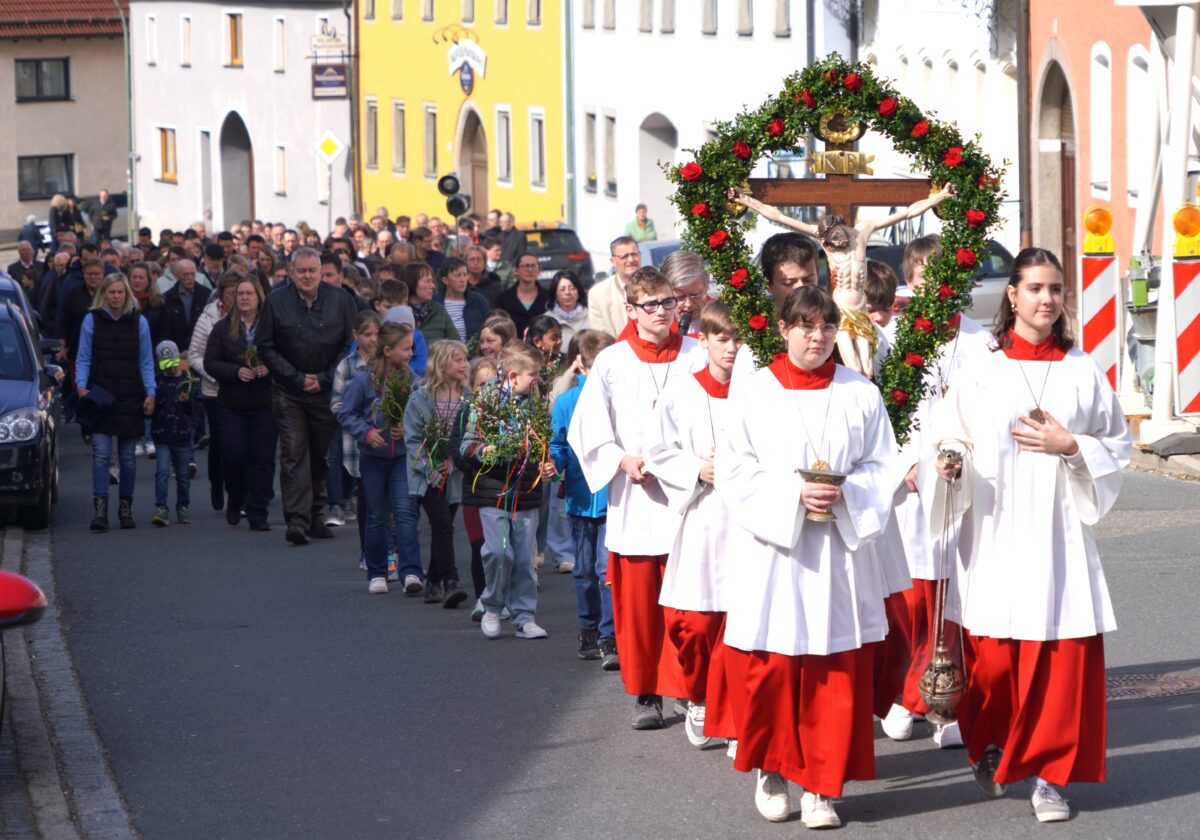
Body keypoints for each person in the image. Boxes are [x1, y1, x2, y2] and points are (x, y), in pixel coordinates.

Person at [925, 248, 1131, 824]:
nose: (1047, 299)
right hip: (992, 531)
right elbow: (949, 438)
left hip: (1057, 536)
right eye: (1036, 288)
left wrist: (1073, 447)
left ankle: (1051, 777)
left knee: (1060, 660)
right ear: (1011, 295)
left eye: (1056, 290)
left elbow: (1116, 445)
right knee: (992, 659)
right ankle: (989, 744)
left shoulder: (1082, 370)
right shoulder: (980, 372)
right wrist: (946, 463)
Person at [717, 285, 898, 828]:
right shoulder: (753, 392)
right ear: (783, 330)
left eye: (825, 327)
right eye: (804, 326)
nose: (816, 337)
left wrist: (847, 492)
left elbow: (881, 466)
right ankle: (771, 769)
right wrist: (792, 494)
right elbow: (734, 469)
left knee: (832, 669)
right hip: (775, 551)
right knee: (773, 666)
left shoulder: (860, 392)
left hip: (837, 554)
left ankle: (821, 786)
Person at [567, 266, 706, 729]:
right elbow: (585, 426)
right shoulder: (612, 361)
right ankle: (647, 694)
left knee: (690, 602)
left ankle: (691, 688)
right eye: (653, 305)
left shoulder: (695, 353)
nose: (664, 312)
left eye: (669, 302)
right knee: (642, 607)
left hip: (690, 496)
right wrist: (622, 460)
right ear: (631, 310)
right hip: (637, 498)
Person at [880, 235, 990, 748]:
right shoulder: (891, 339)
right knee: (913, 599)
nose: (933, 285)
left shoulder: (982, 343)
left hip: (959, 484)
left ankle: (942, 701)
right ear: (911, 279)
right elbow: (877, 410)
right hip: (907, 486)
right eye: (923, 275)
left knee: (955, 594)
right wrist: (905, 463)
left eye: (943, 275)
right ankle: (913, 690)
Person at [644, 301, 741, 749]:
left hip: (747, 518)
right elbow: (658, 449)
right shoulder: (683, 392)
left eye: (739, 339)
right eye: (723, 339)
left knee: (743, 620)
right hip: (702, 515)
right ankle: (699, 696)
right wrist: (695, 469)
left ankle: (739, 714)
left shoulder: (757, 392)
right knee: (698, 622)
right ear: (705, 340)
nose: (733, 348)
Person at [728, 185, 954, 376]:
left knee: (865, 373)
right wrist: (746, 199)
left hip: (857, 324)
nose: (801, 289)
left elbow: (906, 213)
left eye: (808, 279)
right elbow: (778, 216)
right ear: (769, 283)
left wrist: (939, 197)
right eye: (789, 282)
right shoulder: (754, 348)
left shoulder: (860, 235)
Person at [257, 247, 356, 546]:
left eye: (313, 270)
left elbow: (349, 344)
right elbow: (265, 346)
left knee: (321, 455)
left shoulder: (340, 300)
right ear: (291, 271)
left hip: (327, 390)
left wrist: (324, 378)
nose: (308, 276)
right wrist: (297, 379)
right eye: (302, 271)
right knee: (294, 452)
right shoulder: (276, 301)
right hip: (289, 392)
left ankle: (316, 515)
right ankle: (297, 520)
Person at [457, 342, 556, 638]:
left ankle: (524, 617)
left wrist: (547, 465)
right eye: (532, 375)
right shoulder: (484, 403)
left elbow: (543, 447)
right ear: (513, 376)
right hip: (493, 491)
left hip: (526, 494)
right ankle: (491, 605)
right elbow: (466, 445)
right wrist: (487, 451)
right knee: (500, 552)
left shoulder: (537, 405)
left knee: (525, 558)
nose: (537, 380)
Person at [551, 330, 618, 664]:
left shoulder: (619, 398)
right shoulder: (566, 402)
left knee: (607, 568)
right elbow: (558, 444)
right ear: (581, 366)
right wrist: (553, 464)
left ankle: (609, 636)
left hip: (613, 497)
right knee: (583, 571)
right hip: (579, 497)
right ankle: (588, 627)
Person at [337, 322, 416, 593]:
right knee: (377, 515)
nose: (410, 353)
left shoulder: (410, 378)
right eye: (405, 349)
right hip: (373, 457)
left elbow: (420, 413)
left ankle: (411, 572)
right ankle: (377, 572)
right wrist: (367, 432)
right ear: (387, 350)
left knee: (406, 513)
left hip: (402, 456)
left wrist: (407, 428)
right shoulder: (363, 380)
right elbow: (346, 413)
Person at [76, 273, 156, 531]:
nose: (116, 297)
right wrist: (81, 387)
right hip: (101, 394)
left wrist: (150, 391)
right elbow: (84, 356)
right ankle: (100, 509)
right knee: (100, 454)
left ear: (127, 294)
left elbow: (146, 360)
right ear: (104, 294)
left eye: (120, 292)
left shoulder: (139, 322)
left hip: (131, 394)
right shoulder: (92, 320)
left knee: (128, 458)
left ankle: (125, 507)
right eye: (112, 292)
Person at [203, 277, 277, 532]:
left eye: (249, 293)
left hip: (264, 403)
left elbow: (285, 355)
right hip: (232, 403)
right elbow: (210, 362)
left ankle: (258, 512)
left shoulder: (271, 326)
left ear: (259, 297)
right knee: (234, 456)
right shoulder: (223, 328)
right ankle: (235, 498)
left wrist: (271, 367)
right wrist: (235, 371)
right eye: (240, 294)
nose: (244, 297)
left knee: (263, 459)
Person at [403, 340, 470, 607]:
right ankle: (451, 581)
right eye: (457, 360)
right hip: (427, 475)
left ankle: (432, 581)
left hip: (454, 473)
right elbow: (413, 439)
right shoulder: (420, 398)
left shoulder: (469, 398)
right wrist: (431, 468)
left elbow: (469, 434)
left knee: (444, 526)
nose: (464, 365)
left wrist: (453, 463)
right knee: (442, 524)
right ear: (441, 363)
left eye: (465, 359)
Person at [186, 273, 242, 510]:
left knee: (239, 443)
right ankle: (217, 484)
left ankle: (238, 492)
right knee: (220, 442)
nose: (236, 298)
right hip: (215, 390)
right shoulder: (209, 317)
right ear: (222, 294)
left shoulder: (251, 317)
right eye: (231, 293)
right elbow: (194, 354)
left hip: (243, 388)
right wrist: (214, 373)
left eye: (239, 293)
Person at [331, 311, 382, 568]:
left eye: (376, 334)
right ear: (356, 335)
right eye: (367, 334)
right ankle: (366, 551)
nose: (372, 339)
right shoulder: (346, 366)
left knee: (388, 502)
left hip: (386, 442)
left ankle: (388, 552)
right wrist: (362, 424)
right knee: (366, 499)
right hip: (359, 441)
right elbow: (337, 404)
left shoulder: (386, 363)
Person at [463, 356, 499, 619]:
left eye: (491, 383)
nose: (486, 390)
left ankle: (501, 596)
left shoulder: (506, 413)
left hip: (499, 489)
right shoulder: (467, 412)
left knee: (501, 549)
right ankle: (481, 598)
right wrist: (477, 457)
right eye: (480, 385)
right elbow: (458, 448)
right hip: (474, 489)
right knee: (479, 546)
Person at [148, 341, 198, 526]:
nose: (169, 369)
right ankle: (161, 507)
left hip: (182, 435)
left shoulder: (186, 380)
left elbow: (194, 411)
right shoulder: (157, 381)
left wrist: (187, 402)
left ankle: (183, 505)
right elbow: (153, 408)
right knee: (162, 472)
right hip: (162, 434)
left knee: (183, 475)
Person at [587, 236, 642, 337]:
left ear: (640, 255)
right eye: (624, 257)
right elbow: (600, 338)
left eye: (634, 254)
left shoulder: (657, 286)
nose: (631, 260)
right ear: (613, 261)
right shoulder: (597, 294)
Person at [494, 253, 550, 339]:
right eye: (526, 266)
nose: (530, 270)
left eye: (534, 266)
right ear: (516, 270)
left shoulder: (548, 298)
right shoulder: (503, 299)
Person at [400, 262, 460, 344]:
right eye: (427, 281)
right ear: (411, 282)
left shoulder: (439, 310)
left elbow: (456, 342)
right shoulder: (399, 312)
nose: (432, 286)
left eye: (432, 281)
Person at [436, 257, 490, 344]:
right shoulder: (435, 302)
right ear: (445, 280)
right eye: (457, 275)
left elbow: (490, 326)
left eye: (465, 275)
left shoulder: (478, 301)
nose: (462, 280)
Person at [660, 250, 710, 336]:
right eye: (680, 298)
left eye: (695, 295)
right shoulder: (654, 323)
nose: (688, 304)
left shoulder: (724, 319)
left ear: (707, 284)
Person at [546, 270, 589, 348]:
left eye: (572, 288)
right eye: (562, 289)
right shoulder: (547, 319)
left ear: (578, 292)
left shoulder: (591, 316)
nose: (568, 292)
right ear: (555, 294)